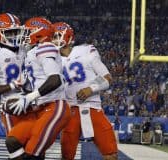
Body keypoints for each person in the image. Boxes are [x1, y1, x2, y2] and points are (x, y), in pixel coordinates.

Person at [5, 17, 71, 159]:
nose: (24, 35)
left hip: (55, 106)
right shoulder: (32, 52)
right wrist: (21, 96)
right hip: (39, 108)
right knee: (13, 141)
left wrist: (30, 97)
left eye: (28, 32)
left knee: (32, 154)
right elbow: (37, 83)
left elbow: (55, 79)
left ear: (38, 33)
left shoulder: (45, 47)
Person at [52, 22, 118, 160]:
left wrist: (91, 88)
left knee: (110, 153)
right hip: (69, 111)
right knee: (66, 156)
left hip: (92, 107)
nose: (53, 39)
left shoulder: (86, 50)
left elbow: (107, 78)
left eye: (56, 36)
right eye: (52, 37)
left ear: (68, 36)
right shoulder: (51, 59)